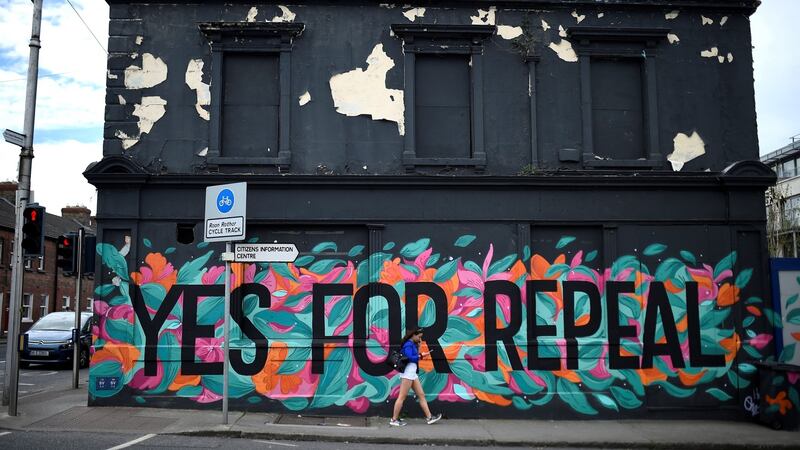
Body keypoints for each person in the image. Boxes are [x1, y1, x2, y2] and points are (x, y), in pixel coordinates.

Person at [389, 328, 442, 427]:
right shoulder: (408, 345)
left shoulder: (412, 344)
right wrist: (421, 356)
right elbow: (410, 358)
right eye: (419, 337)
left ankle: (429, 417)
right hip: (408, 373)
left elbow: (414, 356)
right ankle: (394, 419)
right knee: (402, 397)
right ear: (413, 335)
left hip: (412, 373)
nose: (420, 338)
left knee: (421, 395)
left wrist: (419, 347)